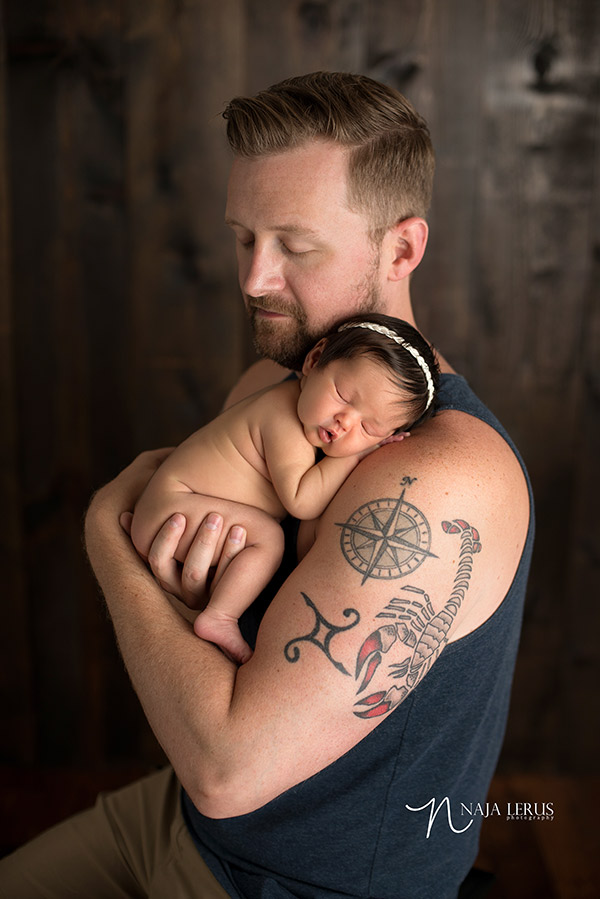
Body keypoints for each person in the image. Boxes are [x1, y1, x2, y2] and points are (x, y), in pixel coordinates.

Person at [0, 72, 534, 899]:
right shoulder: (269, 384)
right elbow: (188, 638)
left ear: (402, 249)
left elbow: (227, 766)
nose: (253, 277)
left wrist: (108, 531)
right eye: (244, 236)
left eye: (295, 244)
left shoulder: (437, 482)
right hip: (182, 819)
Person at [130, 314, 440, 665]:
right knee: (268, 539)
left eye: (369, 427)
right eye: (341, 394)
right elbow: (302, 501)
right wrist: (357, 453)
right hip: (172, 510)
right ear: (313, 360)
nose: (346, 422)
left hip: (174, 510)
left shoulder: (303, 414)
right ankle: (220, 617)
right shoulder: (282, 417)